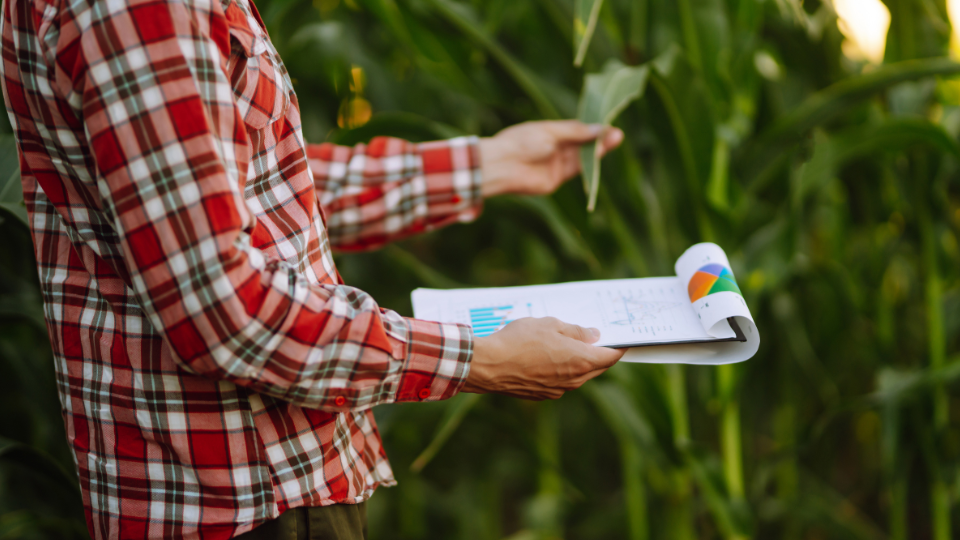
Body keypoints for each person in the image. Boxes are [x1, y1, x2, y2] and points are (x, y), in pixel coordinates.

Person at [0, 0, 626, 536]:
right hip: (248, 497)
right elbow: (223, 311)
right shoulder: (143, 10)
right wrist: (479, 359)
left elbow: (235, 190)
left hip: (237, 489)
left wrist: (486, 165)